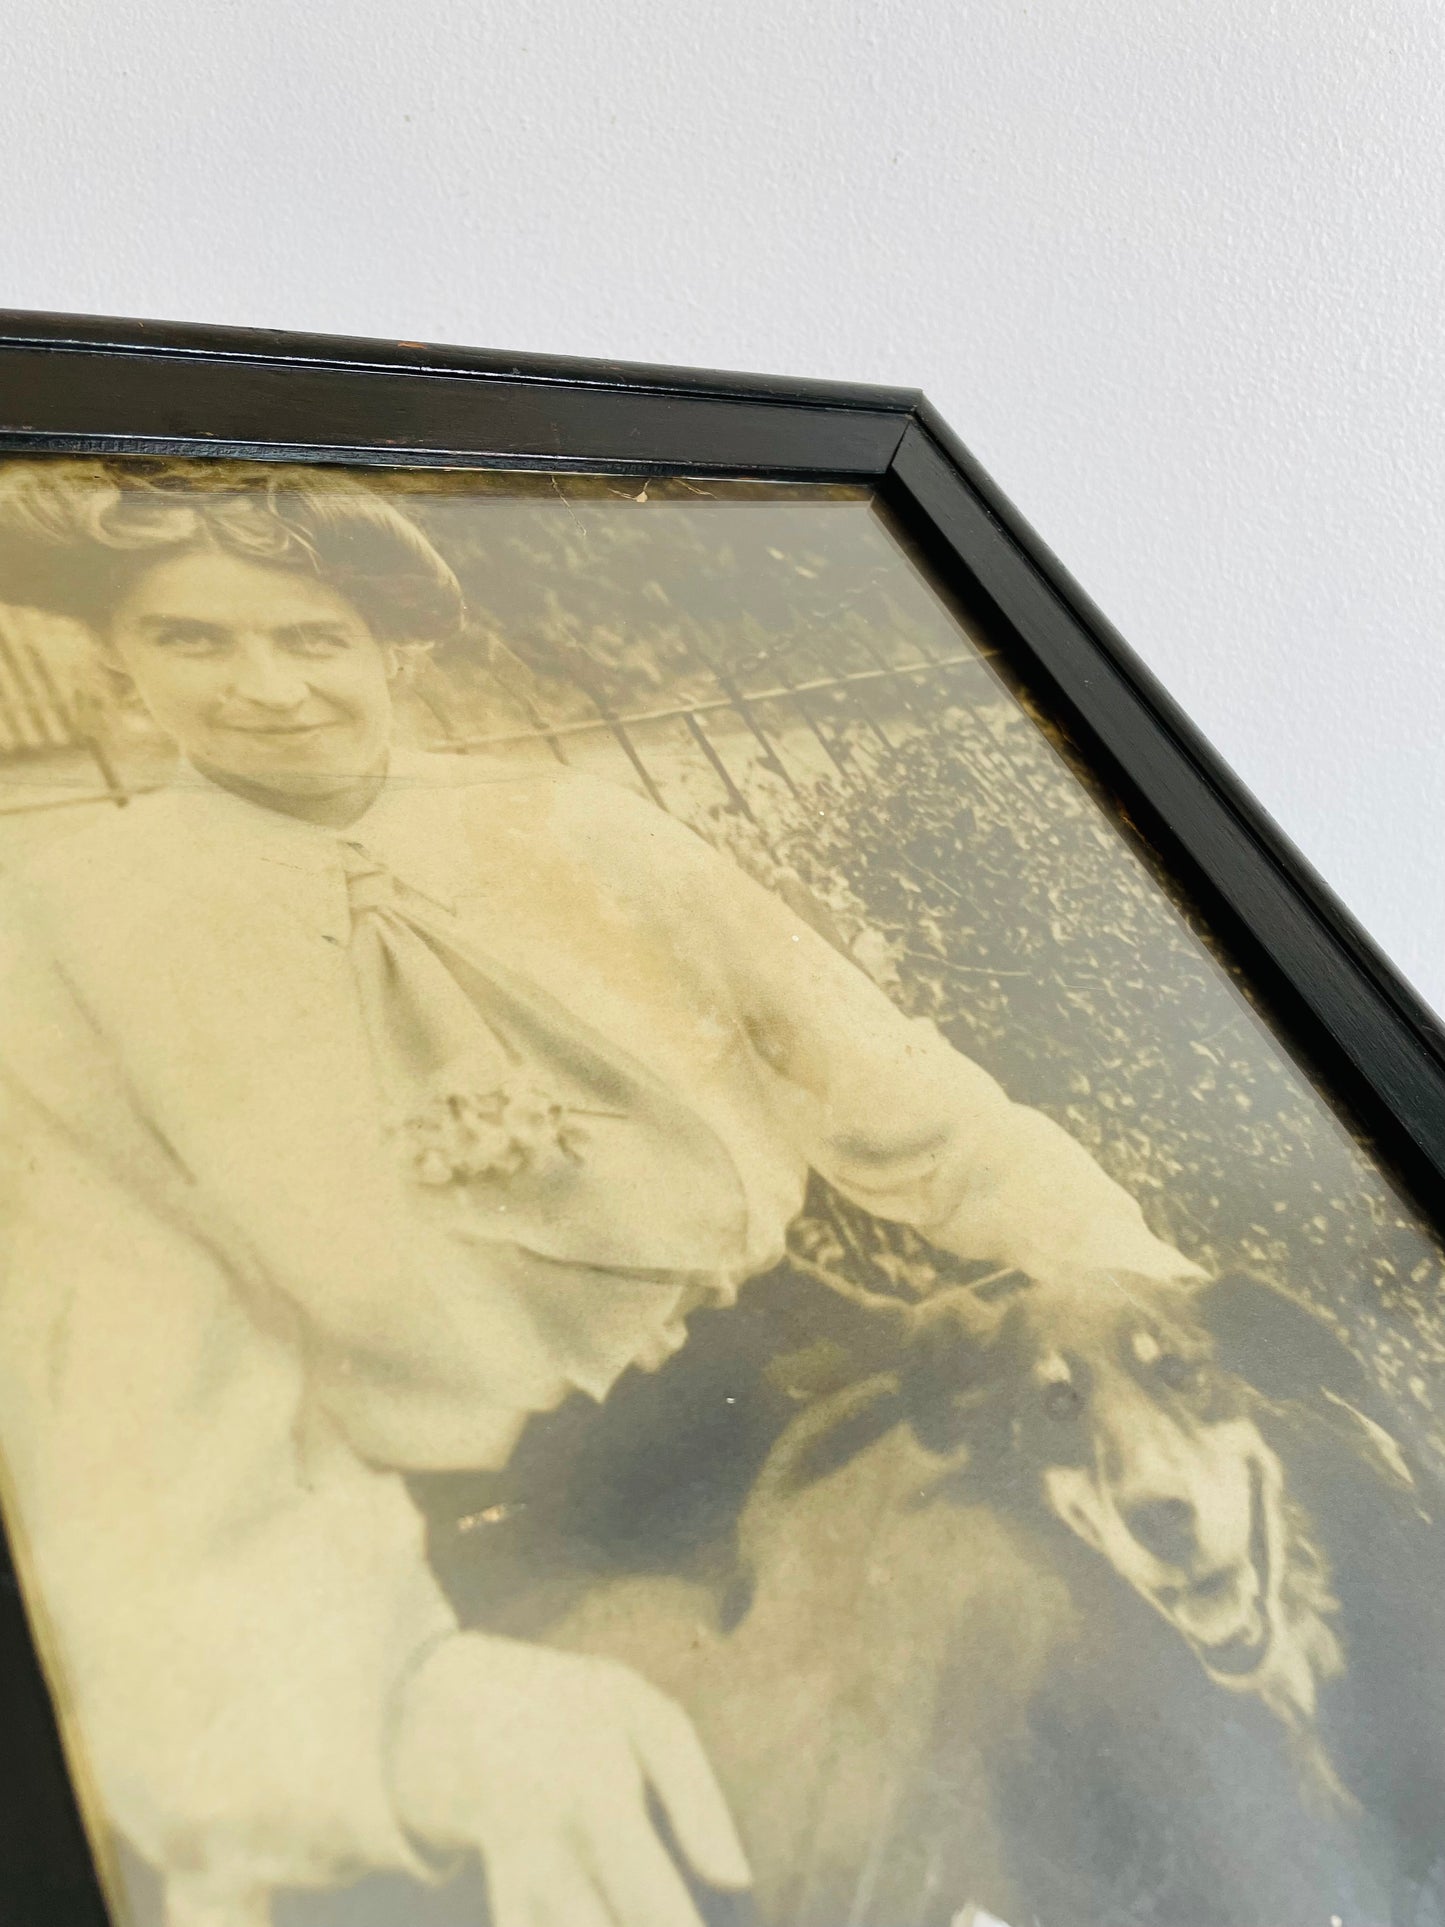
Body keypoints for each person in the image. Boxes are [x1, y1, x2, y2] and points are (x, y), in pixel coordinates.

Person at [0, 462, 1200, 1927]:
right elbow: (131, 1382)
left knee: (1132, 1666)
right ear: (118, 653)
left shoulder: (576, 831)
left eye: (311, 638)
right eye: (192, 638)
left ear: (391, 643)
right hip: (481, 1526)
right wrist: (385, 1697)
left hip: (812, 1391)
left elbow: (904, 1099)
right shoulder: (57, 932)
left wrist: (1132, 1279)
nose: (265, 688)